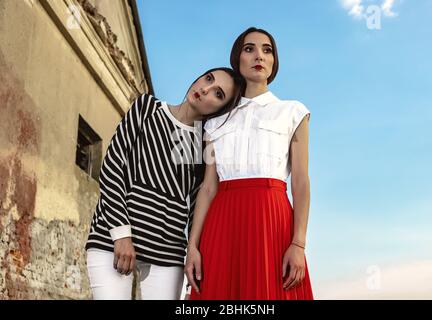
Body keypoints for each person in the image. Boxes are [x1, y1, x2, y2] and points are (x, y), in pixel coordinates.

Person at [85, 67, 243, 300]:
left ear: (222, 109)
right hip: (112, 240)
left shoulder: (204, 144)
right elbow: (112, 168)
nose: (206, 89)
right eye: (208, 79)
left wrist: (195, 261)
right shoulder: (147, 108)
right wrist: (121, 235)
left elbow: (197, 207)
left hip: (168, 253)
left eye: (218, 94)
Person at [186, 28, 314, 299]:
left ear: (274, 61)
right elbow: (208, 188)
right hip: (221, 225)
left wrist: (298, 243)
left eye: (267, 50)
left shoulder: (294, 112)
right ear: (238, 59)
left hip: (272, 222)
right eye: (250, 48)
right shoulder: (214, 123)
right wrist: (193, 246)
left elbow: (300, 181)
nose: (259, 55)